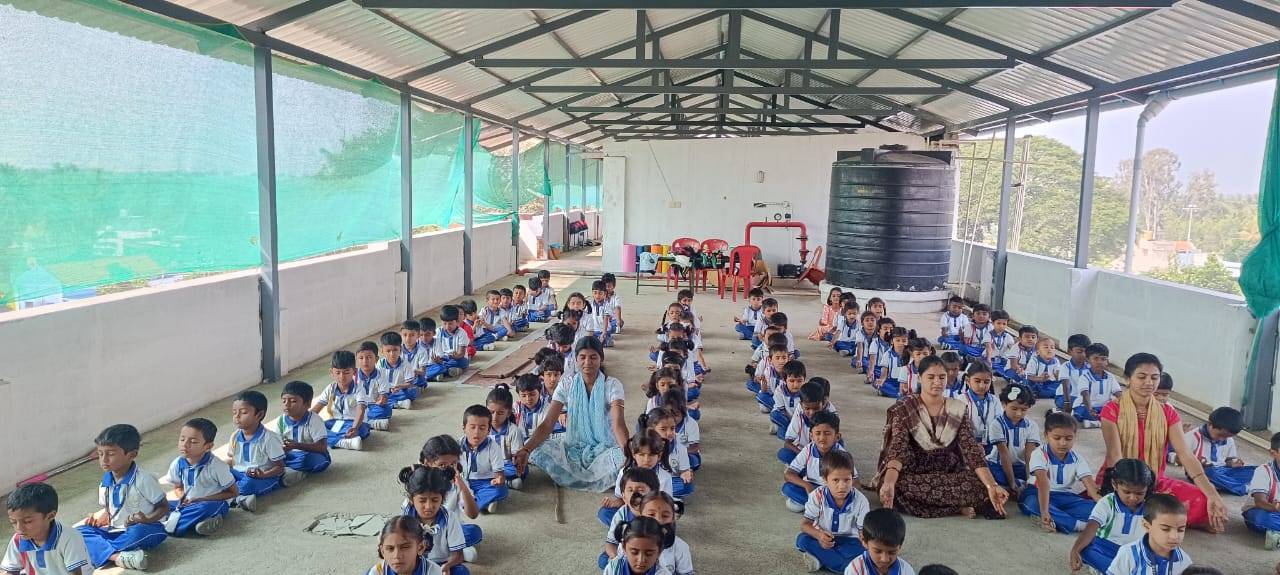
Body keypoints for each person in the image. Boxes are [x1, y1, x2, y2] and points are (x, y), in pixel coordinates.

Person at [1098, 353, 1228, 532]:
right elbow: (1115, 455)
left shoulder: (1168, 412)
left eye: (1154, 377)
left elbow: (1185, 454)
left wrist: (1212, 494)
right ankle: (1154, 517)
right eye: (1142, 377)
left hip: (1156, 480)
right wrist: (1129, 489)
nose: (1149, 382)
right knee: (1119, 507)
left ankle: (1154, 519)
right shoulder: (1112, 409)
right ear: (1128, 379)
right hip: (1123, 481)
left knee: (1204, 500)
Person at [873, 356, 1009, 519]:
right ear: (919, 378)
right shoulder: (905, 408)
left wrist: (991, 485)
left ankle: (949, 504)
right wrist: (889, 483)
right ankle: (958, 506)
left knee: (981, 484)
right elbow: (897, 448)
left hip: (948, 471)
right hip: (913, 473)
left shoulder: (957, 409)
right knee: (896, 486)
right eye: (931, 377)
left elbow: (971, 450)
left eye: (942, 377)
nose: (937, 382)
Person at [515, 336, 628, 492]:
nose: (587, 362)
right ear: (576, 359)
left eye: (593, 357)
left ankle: (575, 477)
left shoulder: (612, 385)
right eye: (582, 357)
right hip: (573, 445)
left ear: (601, 359)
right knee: (536, 448)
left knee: (624, 457)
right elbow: (548, 423)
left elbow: (618, 424)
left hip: (605, 446)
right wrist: (526, 449)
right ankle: (600, 478)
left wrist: (628, 453)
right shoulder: (567, 384)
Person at [76, 424, 168, 571]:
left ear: (132, 455)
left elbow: (164, 506)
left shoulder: (144, 480)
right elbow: (109, 511)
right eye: (100, 454)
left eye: (110, 454)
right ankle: (117, 557)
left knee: (141, 531)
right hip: (115, 531)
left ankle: (100, 552)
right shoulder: (105, 483)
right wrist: (100, 521)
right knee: (79, 531)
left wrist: (147, 519)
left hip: (144, 528)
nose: (104, 460)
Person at [1019, 412, 1100, 534]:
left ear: (1075, 437)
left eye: (1068, 438)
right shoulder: (1039, 454)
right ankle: (1078, 526)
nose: (1063, 443)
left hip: (1065, 497)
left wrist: (1101, 503)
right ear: (1046, 436)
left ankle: (1058, 520)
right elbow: (1042, 482)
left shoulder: (1078, 459)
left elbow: (1090, 485)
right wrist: (1045, 511)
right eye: (1057, 438)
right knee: (1032, 504)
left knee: (1095, 508)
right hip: (1037, 492)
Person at [1070, 459, 1155, 573]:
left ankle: (1115, 570)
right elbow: (1091, 528)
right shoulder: (1107, 502)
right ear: (1114, 484)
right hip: (1107, 548)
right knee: (1085, 548)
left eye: (1139, 493)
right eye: (1127, 492)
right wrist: (1075, 550)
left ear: (1147, 488)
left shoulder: (1151, 506)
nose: (1133, 498)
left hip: (1134, 553)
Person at [796, 450, 871, 573]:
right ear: (825, 479)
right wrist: (819, 536)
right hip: (825, 538)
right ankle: (846, 567)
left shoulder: (861, 501)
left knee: (866, 549)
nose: (842, 486)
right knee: (802, 539)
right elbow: (805, 525)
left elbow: (863, 533)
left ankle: (822, 561)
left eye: (847, 480)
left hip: (850, 541)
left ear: (852, 478)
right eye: (836, 480)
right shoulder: (817, 496)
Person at [160, 418, 236, 537]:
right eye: (182, 439)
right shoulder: (177, 463)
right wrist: (182, 498)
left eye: (193, 442)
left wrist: (202, 499)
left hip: (212, 502)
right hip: (189, 504)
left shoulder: (217, 466)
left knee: (206, 509)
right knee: (157, 504)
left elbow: (233, 492)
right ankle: (193, 523)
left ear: (208, 446)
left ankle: (172, 525)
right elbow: (178, 487)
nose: (184, 444)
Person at [3, 482, 91, 575]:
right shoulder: (18, 539)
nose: (19, 528)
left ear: (50, 516)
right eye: (13, 522)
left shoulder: (69, 538)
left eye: (27, 521)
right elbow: (11, 571)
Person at [418, 436, 482, 561]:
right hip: (425, 532)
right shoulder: (419, 483)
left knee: (474, 532)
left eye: (452, 464)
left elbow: (473, 514)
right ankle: (454, 552)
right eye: (442, 465)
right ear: (427, 463)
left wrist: (462, 486)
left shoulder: (456, 482)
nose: (448, 469)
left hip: (451, 531)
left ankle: (448, 552)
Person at [399, 465, 468, 575]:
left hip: (441, 564)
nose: (428, 506)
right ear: (412, 499)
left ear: (443, 498)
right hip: (413, 565)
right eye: (422, 500)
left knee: (461, 572)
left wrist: (447, 566)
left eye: (435, 500)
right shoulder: (404, 518)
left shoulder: (450, 518)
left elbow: (458, 555)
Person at [225, 390, 285, 511]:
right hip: (239, 473)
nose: (237, 417)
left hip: (262, 477)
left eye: (243, 412)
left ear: (259, 415)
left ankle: (232, 498)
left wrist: (264, 475)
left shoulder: (269, 438)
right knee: (215, 477)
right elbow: (231, 460)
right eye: (234, 412)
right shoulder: (235, 436)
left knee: (247, 485)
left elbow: (280, 467)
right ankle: (237, 499)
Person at [599, 431, 674, 525]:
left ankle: (631, 531)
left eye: (651, 455)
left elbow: (664, 506)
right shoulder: (624, 472)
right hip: (631, 511)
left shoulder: (664, 477)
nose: (646, 459)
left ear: (659, 456)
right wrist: (613, 503)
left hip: (652, 515)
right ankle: (635, 531)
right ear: (634, 454)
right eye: (641, 455)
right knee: (604, 512)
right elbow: (622, 499)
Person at [1105, 494, 1191, 575]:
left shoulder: (1184, 561)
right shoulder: (1128, 554)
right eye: (1166, 529)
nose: (1174, 536)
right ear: (1146, 526)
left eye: (1181, 530)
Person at [1176, 406, 1253, 496]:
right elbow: (1179, 458)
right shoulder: (1193, 436)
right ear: (1210, 424)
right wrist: (1196, 462)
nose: (1222, 439)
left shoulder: (1229, 439)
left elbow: (1228, 460)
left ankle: (1227, 484)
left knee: (1256, 470)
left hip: (1223, 471)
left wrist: (1233, 463)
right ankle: (1244, 488)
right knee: (1211, 472)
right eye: (1220, 435)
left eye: (1226, 437)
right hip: (1201, 473)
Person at [783, 412, 849, 513]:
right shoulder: (808, 450)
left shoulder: (842, 455)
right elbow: (788, 474)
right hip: (812, 489)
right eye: (817, 433)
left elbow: (855, 482)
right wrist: (807, 485)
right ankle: (822, 508)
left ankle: (816, 506)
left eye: (827, 433)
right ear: (811, 436)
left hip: (832, 492)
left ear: (837, 437)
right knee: (788, 488)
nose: (822, 438)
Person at [600, 468, 661, 566]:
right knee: (604, 560)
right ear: (623, 496)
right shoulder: (621, 514)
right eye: (630, 490)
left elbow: (664, 546)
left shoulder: (657, 514)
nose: (634, 494)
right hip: (629, 553)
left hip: (650, 555)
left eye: (641, 490)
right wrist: (616, 558)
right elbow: (611, 543)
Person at [988, 383, 1040, 496]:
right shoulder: (997, 424)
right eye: (1014, 408)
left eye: (1024, 409)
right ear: (1004, 405)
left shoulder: (1032, 426)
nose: (1018, 413)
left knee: (1042, 473)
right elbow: (1004, 454)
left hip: (1019, 466)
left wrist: (1029, 479)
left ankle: (1016, 486)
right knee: (991, 475)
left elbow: (1029, 454)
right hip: (999, 465)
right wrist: (1012, 483)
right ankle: (1012, 485)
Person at [312, 350, 370, 450]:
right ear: (331, 372)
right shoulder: (330, 389)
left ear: (354, 372)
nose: (342, 377)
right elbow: (317, 407)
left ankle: (333, 440)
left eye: (346, 372)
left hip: (354, 423)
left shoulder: (359, 389)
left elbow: (361, 410)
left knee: (363, 429)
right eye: (338, 373)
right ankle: (342, 442)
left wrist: (355, 428)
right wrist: (303, 420)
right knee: (315, 427)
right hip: (335, 423)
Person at [275, 381, 331, 484]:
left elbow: (322, 447)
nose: (287, 405)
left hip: (311, 454)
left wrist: (296, 445)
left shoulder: (314, 420)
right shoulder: (281, 420)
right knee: (270, 461)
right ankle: (289, 470)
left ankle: (292, 471)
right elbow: (276, 442)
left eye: (293, 401)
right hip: (290, 455)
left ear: (307, 404)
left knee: (308, 461)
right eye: (284, 401)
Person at [458, 405, 508, 514]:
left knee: (501, 489)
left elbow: (500, 474)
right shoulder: (457, 445)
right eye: (472, 427)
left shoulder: (494, 447)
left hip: (485, 482)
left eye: (482, 428)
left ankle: (472, 504)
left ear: (489, 430)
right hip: (463, 481)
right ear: (464, 428)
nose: (476, 432)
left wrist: (499, 479)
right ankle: (483, 503)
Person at [842, 508, 915, 575]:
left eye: (892, 552)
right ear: (864, 541)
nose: (884, 559)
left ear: (900, 546)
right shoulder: (855, 570)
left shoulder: (906, 571)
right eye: (877, 551)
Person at [781, 378, 836, 465]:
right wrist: (803, 455)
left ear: (824, 401)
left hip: (822, 456)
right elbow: (788, 442)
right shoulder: (801, 409)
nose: (811, 412)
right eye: (807, 408)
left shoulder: (831, 414)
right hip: (804, 452)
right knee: (784, 453)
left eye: (816, 407)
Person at [643, 407, 694, 499]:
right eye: (663, 429)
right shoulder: (643, 444)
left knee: (686, 486)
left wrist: (685, 473)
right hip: (644, 481)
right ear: (651, 430)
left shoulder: (679, 442)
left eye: (672, 428)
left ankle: (651, 495)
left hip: (667, 480)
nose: (670, 433)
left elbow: (684, 469)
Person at [365, 516, 444, 575]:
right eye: (390, 548)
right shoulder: (377, 572)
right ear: (383, 551)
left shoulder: (432, 571)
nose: (397, 555)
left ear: (420, 548)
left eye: (405, 547)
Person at [638, 492, 693, 575]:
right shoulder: (628, 543)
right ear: (640, 515)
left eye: (665, 515)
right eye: (651, 514)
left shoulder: (680, 547)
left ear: (673, 518)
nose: (658, 520)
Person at [485, 384, 527, 490]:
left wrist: (515, 462)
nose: (494, 417)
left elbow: (516, 458)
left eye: (500, 413)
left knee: (518, 469)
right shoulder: (483, 428)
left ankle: (496, 481)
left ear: (508, 413)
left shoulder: (514, 431)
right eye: (491, 412)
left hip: (507, 465)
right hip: (489, 464)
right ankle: (507, 482)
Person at [1243, 431, 1280, 549]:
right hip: (1263, 511)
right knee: (1261, 518)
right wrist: (1275, 507)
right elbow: (1259, 502)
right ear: (1273, 453)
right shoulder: (1264, 471)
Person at [602, 517, 674, 575]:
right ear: (624, 548)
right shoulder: (613, 569)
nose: (641, 560)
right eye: (634, 552)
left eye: (649, 554)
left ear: (659, 551)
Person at [1076, 343, 1121, 427]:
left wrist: (1125, 406)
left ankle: (1096, 423)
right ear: (1087, 360)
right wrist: (1090, 409)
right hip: (1087, 407)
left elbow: (1118, 393)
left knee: (1117, 411)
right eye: (1096, 358)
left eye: (1103, 359)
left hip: (1103, 408)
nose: (1100, 362)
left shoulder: (1110, 377)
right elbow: (1085, 394)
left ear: (1107, 361)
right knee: (1080, 413)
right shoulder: (1085, 376)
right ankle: (1104, 422)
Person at [357, 341, 394, 431]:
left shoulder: (382, 374)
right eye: (361, 358)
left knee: (386, 410)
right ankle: (371, 423)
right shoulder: (354, 376)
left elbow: (383, 396)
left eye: (369, 357)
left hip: (374, 407)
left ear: (376, 359)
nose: (365, 361)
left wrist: (382, 399)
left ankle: (361, 422)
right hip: (358, 407)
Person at [380, 332, 417, 409]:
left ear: (400, 350)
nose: (392, 354)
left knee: (412, 392)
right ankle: (398, 404)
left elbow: (409, 383)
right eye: (388, 351)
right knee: (375, 396)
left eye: (395, 350)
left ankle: (392, 402)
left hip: (400, 390)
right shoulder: (380, 363)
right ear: (382, 351)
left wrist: (400, 387)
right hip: (386, 391)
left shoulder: (405, 364)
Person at [771, 360, 808, 439]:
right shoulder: (779, 391)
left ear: (804, 380)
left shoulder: (806, 392)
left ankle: (781, 428)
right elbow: (782, 410)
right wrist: (792, 423)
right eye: (791, 381)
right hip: (785, 416)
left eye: (799, 381)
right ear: (784, 380)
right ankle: (783, 428)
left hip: (800, 419)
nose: (795, 384)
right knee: (775, 415)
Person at [1024, 336, 1067, 400]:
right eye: (1046, 347)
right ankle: (1034, 393)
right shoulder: (1034, 361)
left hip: (1049, 383)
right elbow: (1029, 376)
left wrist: (1059, 375)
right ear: (1038, 352)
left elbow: (1057, 374)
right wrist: (1040, 379)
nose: (1050, 349)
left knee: (1064, 384)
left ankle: (1047, 393)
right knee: (1027, 383)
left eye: (1052, 347)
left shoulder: (1056, 361)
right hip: (1036, 382)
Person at [435, 306, 472, 375]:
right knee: (430, 363)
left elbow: (461, 354)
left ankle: (442, 371)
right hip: (443, 359)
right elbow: (435, 350)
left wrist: (455, 356)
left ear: (457, 322)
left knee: (463, 362)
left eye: (450, 323)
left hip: (456, 359)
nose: (447, 326)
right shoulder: (438, 332)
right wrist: (437, 358)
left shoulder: (461, 333)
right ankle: (447, 371)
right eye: (444, 323)